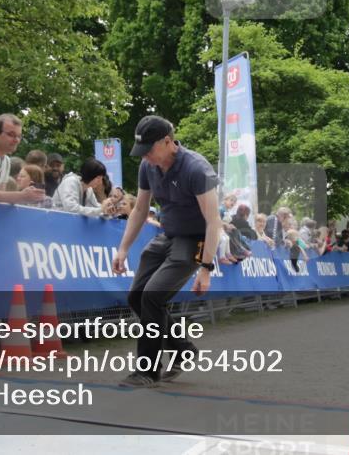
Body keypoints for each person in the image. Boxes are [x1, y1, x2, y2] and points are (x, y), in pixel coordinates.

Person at [111, 115, 222, 388]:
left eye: (150, 149)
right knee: (137, 296)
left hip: (194, 240)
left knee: (152, 296)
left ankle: (147, 371)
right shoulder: (147, 167)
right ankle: (183, 349)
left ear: (168, 142)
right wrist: (123, 249)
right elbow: (139, 209)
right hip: (168, 235)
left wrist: (206, 268)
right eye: (142, 151)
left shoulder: (196, 169)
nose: (146, 156)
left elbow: (213, 222)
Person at [53, 157, 118, 217]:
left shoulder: (89, 189)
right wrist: (101, 209)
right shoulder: (70, 181)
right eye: (98, 178)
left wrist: (107, 210)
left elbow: (95, 207)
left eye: (101, 179)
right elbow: (71, 208)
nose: (100, 182)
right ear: (90, 175)